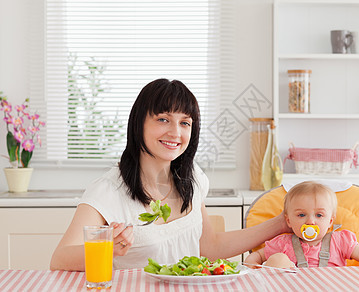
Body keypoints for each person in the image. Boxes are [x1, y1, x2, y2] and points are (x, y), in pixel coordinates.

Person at [50, 78, 289, 271]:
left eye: (185, 123)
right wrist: (107, 247)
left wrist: (281, 223)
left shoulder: (192, 177)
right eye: (163, 119)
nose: (175, 132)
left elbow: (210, 247)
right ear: (138, 124)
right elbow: (59, 259)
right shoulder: (108, 190)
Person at [244, 181, 359, 268]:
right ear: (288, 221)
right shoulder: (283, 243)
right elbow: (258, 256)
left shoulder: (340, 241)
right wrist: (251, 268)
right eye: (301, 215)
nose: (310, 221)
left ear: (330, 221)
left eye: (319, 215)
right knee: (277, 260)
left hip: (332, 287)